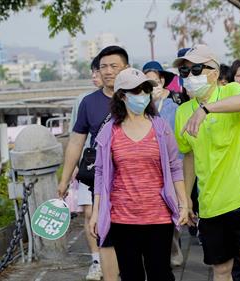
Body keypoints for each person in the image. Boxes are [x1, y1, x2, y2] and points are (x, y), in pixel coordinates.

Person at [174, 44, 240, 281]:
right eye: (184, 73)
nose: (190, 77)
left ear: (214, 72)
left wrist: (207, 109)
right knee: (221, 270)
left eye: (196, 70)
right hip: (211, 203)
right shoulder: (182, 112)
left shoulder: (231, 91)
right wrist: (186, 202)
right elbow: (190, 156)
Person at [89, 68, 189, 281]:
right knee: (130, 274)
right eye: (136, 91)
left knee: (160, 273)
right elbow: (100, 173)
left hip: (159, 217)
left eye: (145, 89)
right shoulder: (110, 132)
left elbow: (174, 166)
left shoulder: (160, 127)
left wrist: (183, 203)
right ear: (122, 96)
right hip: (122, 219)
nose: (142, 95)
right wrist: (96, 212)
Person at [58, 45, 129, 281]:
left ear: (126, 68)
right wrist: (65, 179)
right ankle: (99, 262)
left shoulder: (136, 98)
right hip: (97, 176)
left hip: (130, 179)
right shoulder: (88, 102)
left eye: (114, 66)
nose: (108, 71)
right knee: (95, 220)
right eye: (103, 67)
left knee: (127, 230)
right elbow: (76, 142)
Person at [142, 60, 184, 266]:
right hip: (149, 166)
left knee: (173, 207)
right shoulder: (140, 105)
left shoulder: (174, 104)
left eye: (153, 79)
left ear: (161, 80)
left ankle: (174, 245)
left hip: (173, 163)